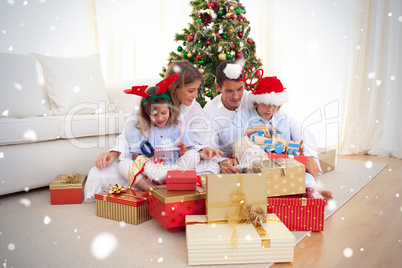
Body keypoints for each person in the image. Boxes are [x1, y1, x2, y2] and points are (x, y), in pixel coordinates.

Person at [84, 61, 221, 201]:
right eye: (191, 90)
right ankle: (157, 188)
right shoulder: (146, 99)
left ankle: (166, 182)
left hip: (175, 162)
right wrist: (113, 153)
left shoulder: (194, 108)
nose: (196, 95)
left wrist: (202, 151)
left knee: (212, 168)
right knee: (105, 171)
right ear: (174, 88)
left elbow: (200, 143)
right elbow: (130, 132)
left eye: (197, 90)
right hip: (149, 164)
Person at [204, 61, 323, 185]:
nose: (236, 96)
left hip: (275, 162)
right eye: (229, 91)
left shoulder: (264, 105)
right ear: (218, 88)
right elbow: (213, 144)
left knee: (305, 181)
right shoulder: (210, 113)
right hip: (237, 160)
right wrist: (222, 161)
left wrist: (303, 156)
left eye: (240, 89)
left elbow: (294, 127)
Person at [221, 75, 333, 199]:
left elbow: (282, 152)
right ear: (257, 100)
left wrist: (297, 153)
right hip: (251, 165)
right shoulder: (244, 115)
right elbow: (224, 137)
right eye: (266, 104)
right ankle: (292, 191)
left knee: (308, 180)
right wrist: (253, 129)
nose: (270, 109)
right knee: (239, 180)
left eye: (275, 105)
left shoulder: (282, 122)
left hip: (274, 165)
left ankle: (310, 191)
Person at [123, 78, 200, 188]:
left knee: (194, 155)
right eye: (154, 114)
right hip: (154, 170)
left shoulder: (180, 127)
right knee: (123, 165)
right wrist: (148, 159)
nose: (159, 118)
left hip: (175, 166)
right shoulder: (139, 130)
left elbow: (189, 152)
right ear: (147, 112)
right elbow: (136, 156)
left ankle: (168, 179)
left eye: (164, 113)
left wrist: (184, 151)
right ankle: (162, 184)